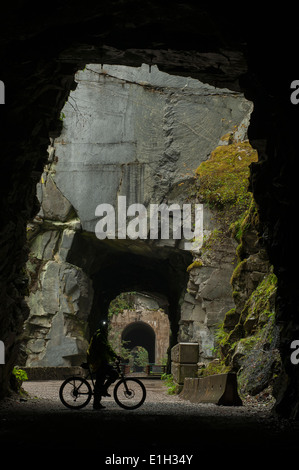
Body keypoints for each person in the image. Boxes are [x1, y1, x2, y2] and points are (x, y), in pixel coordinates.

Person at [86, 322, 120, 409]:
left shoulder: (99, 335)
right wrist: (115, 357)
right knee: (114, 374)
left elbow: (106, 349)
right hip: (99, 362)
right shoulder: (100, 336)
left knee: (99, 382)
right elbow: (106, 348)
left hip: (100, 361)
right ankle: (103, 390)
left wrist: (113, 357)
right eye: (106, 327)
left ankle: (97, 403)